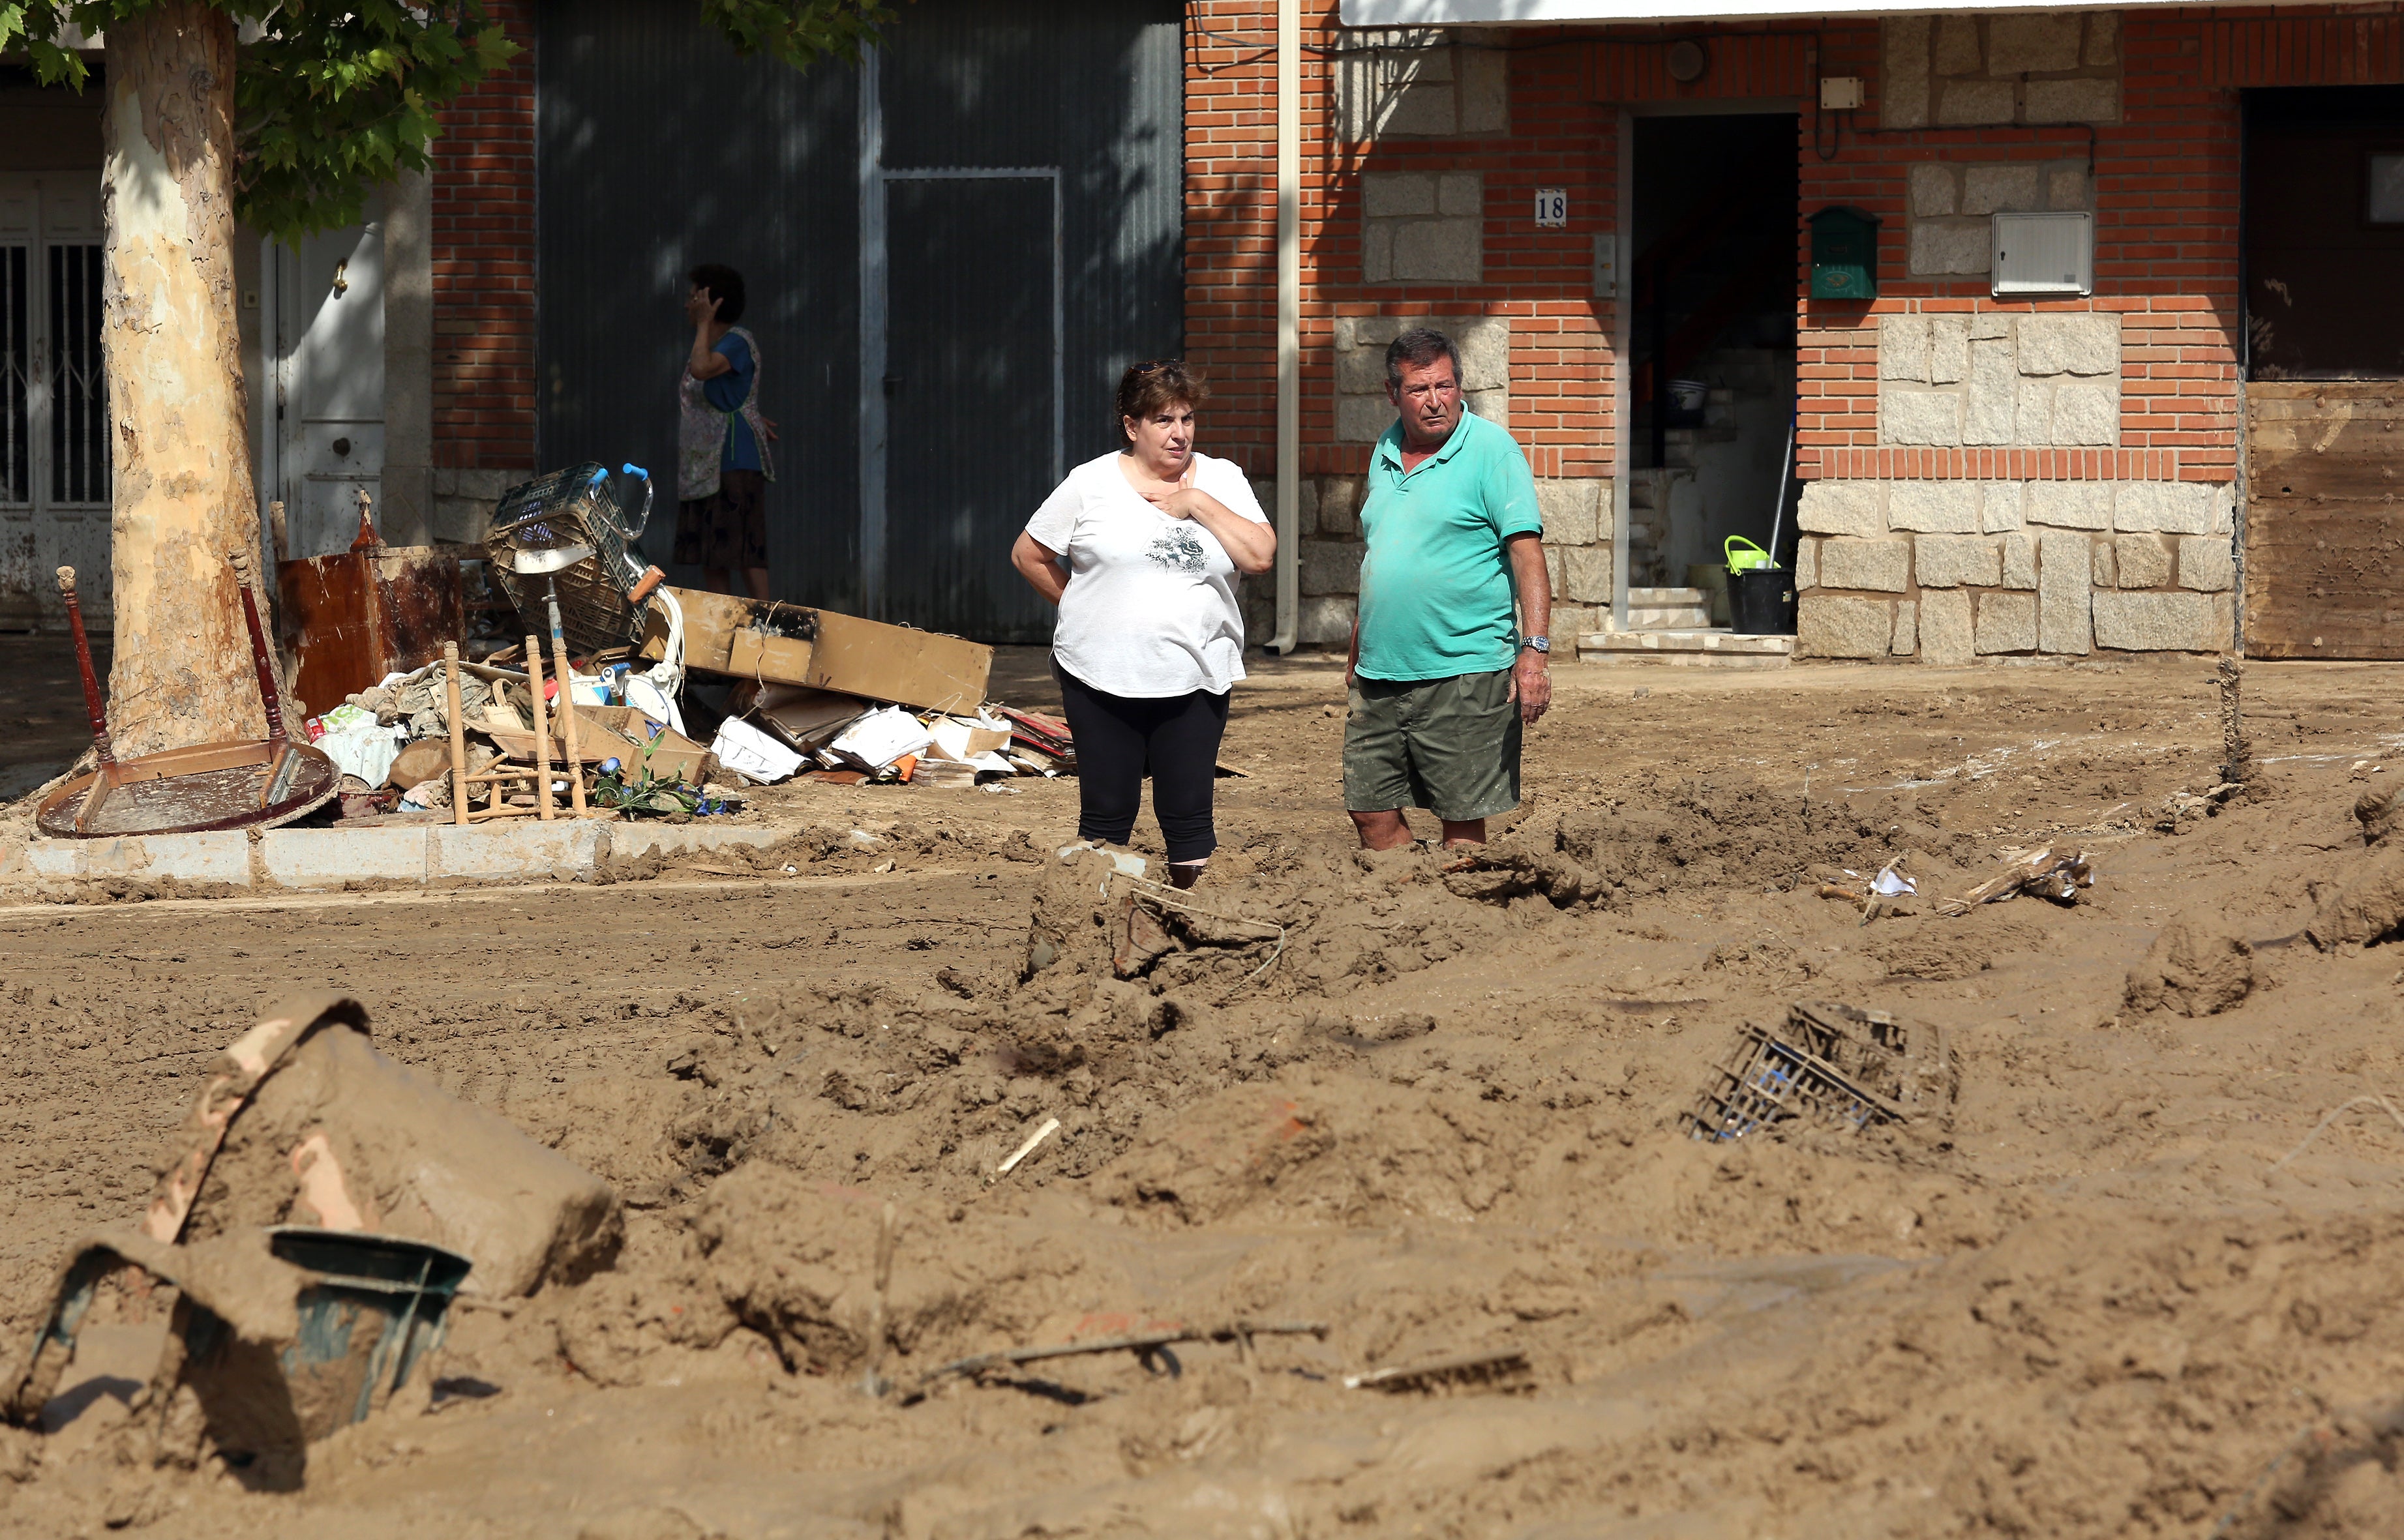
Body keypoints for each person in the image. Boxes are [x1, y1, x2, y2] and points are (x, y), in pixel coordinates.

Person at [1010, 361, 1276, 890]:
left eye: (1188, 419)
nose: (1180, 434)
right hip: (1100, 676)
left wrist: (1196, 502)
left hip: (1195, 673)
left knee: (1190, 815)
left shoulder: (1222, 479)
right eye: (1163, 420)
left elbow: (1260, 555)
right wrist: (1080, 605)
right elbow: (1029, 555)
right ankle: (1093, 935)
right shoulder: (1090, 484)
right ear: (1132, 426)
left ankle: (1189, 930)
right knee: (1107, 817)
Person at [1345, 327, 1552, 851]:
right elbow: (1381, 556)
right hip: (1382, 672)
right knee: (1370, 811)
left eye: (1445, 386)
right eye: (1418, 390)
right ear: (1393, 395)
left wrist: (1534, 655)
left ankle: (1460, 925)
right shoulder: (1385, 448)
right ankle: (1406, 915)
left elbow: (1527, 556)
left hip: (1465, 669)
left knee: (1461, 822)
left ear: (1460, 385)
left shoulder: (1492, 451)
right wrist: (1357, 648)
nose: (1435, 402)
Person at [676, 264, 777, 600]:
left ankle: (770, 624)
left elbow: (703, 370)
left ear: (712, 304)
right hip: (705, 465)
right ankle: (725, 628)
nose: (689, 305)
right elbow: (725, 395)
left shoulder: (736, 341)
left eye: (694, 298)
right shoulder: (712, 343)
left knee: (747, 550)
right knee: (713, 553)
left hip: (734, 461)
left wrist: (704, 323)